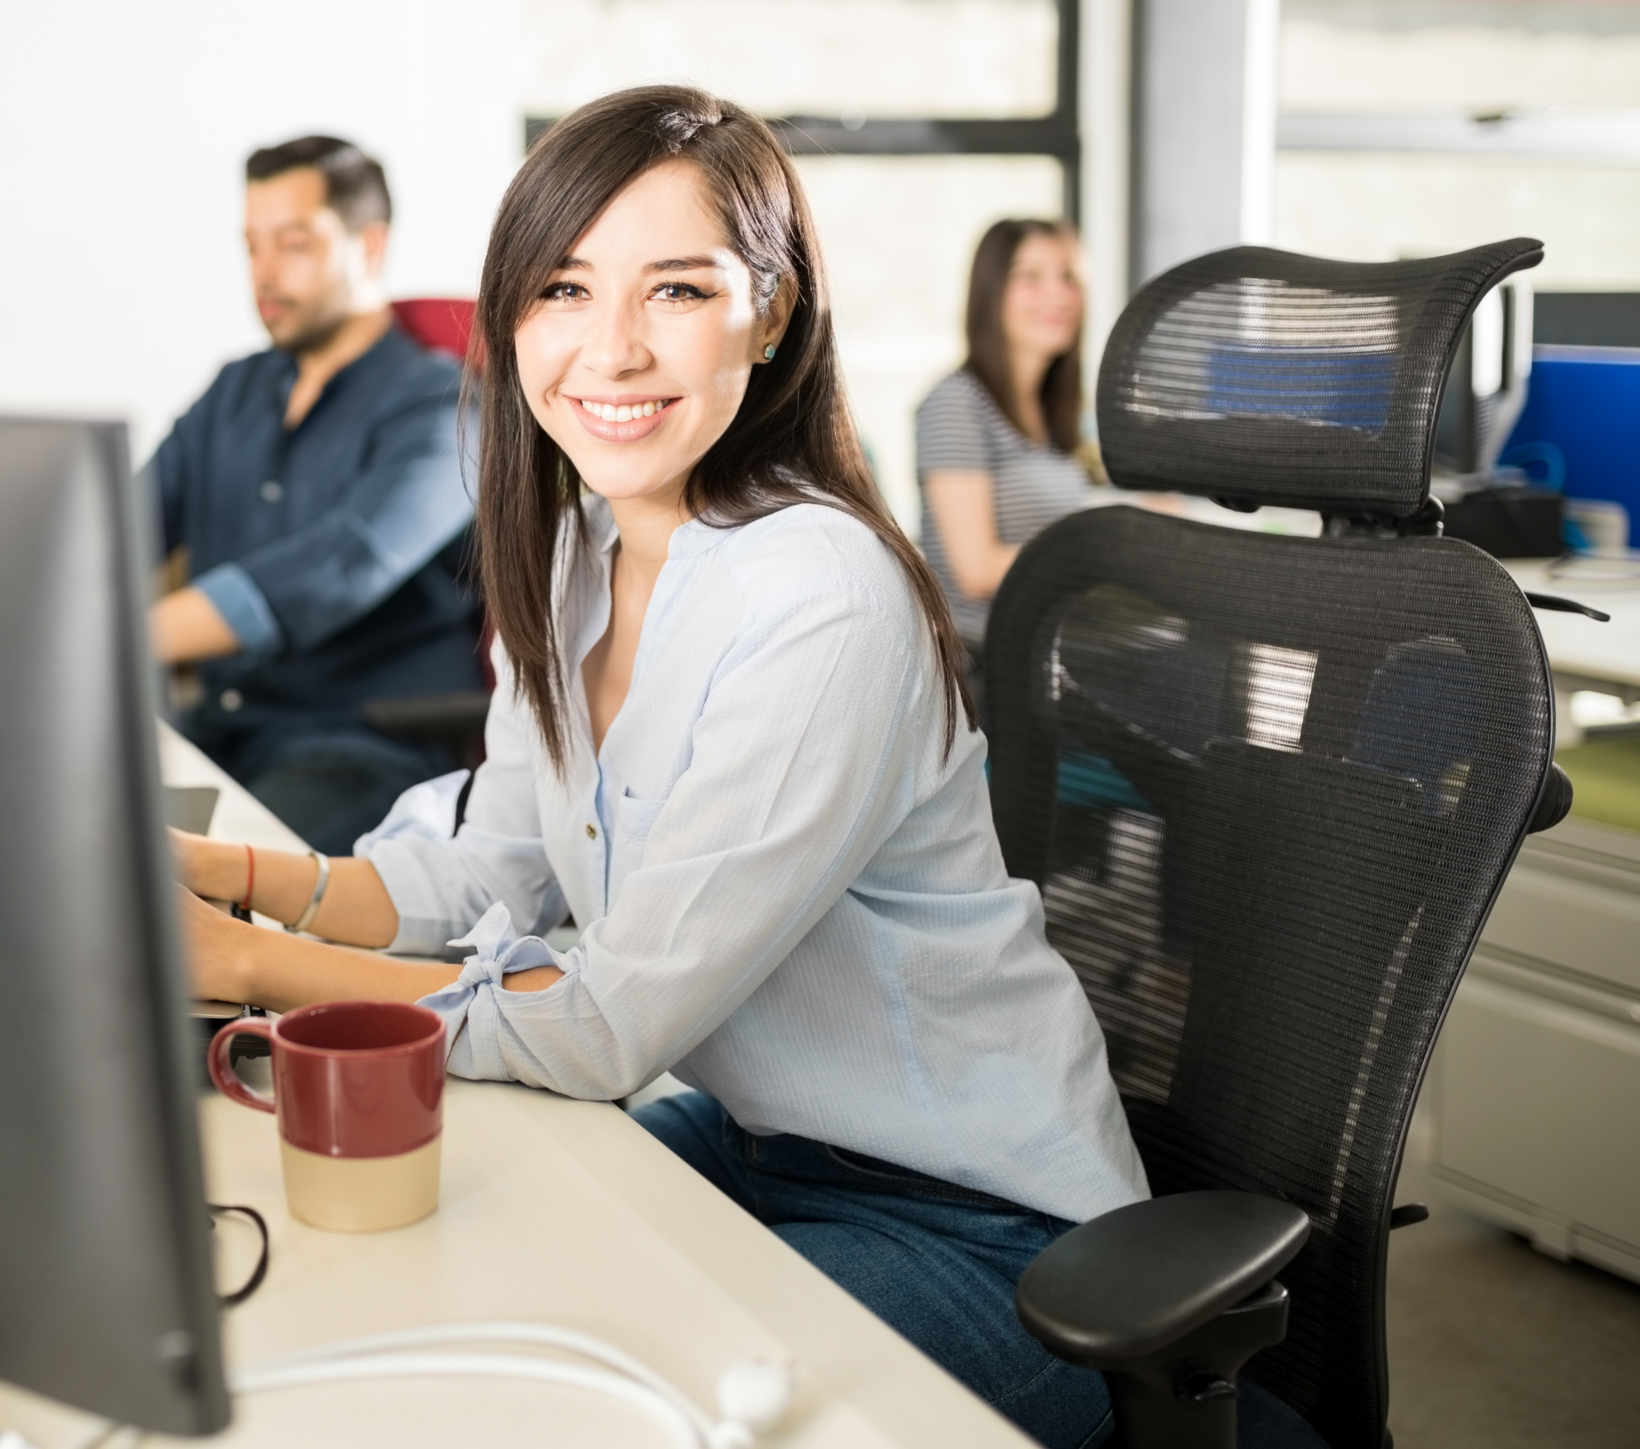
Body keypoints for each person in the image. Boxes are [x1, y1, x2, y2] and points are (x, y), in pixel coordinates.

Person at [167, 88, 1152, 1449]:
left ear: (771, 310)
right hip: (752, 1144)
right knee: (408, 1309)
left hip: (981, 1226)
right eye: (564, 287)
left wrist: (238, 960)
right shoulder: (579, 547)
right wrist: (214, 874)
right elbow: (483, 864)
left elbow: (604, 1021)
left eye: (677, 288)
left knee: (592, 1419)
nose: (611, 347)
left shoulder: (823, 594)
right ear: (512, 317)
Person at [149, 135, 483, 855]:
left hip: (362, 746)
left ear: (369, 246)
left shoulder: (443, 407)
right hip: (223, 730)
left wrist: (123, 636)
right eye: (251, 246)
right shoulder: (234, 390)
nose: (263, 273)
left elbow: (344, 564)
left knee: (183, 891)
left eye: (293, 244)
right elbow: (114, 529)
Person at [914, 218, 1101, 678]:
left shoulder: (1053, 414)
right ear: (991, 292)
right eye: (1030, 277)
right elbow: (975, 569)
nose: (1057, 295)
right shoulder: (957, 404)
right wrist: (1109, 547)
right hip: (990, 664)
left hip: (1051, 648)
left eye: (1068, 276)